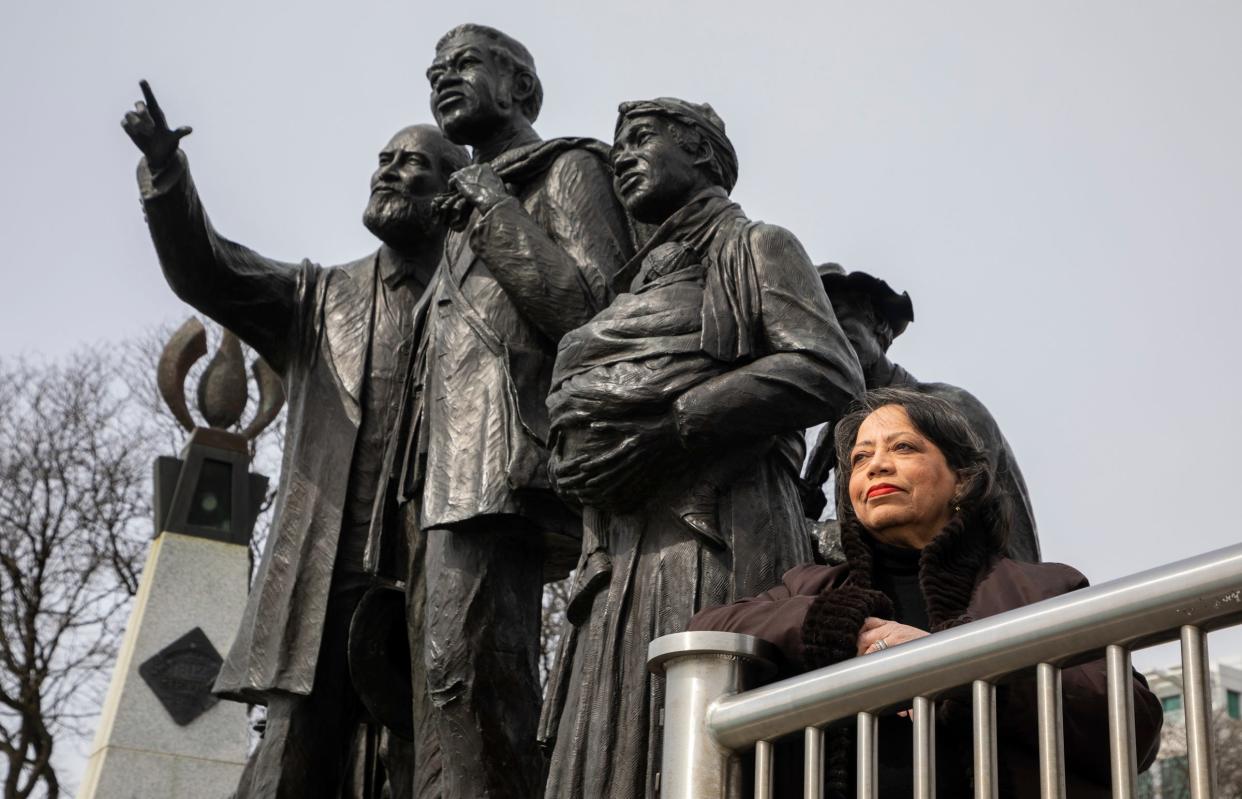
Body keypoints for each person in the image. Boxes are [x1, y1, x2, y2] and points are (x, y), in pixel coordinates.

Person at [122, 81, 468, 798]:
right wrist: (165, 172)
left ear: (452, 194)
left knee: (427, 767)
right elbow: (207, 268)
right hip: (324, 571)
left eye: (415, 163)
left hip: (435, 564)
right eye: (384, 158)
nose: (390, 170)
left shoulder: (478, 297)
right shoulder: (319, 295)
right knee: (294, 764)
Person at [539, 97, 865, 799]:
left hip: (718, 534)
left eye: (642, 138)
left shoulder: (755, 247)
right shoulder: (634, 288)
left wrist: (676, 425)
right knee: (610, 754)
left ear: (702, 153)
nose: (621, 154)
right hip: (619, 554)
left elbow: (829, 368)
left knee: (703, 755)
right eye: (617, 143)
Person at [691, 387, 1162, 797]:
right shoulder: (810, 587)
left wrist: (963, 668)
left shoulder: (1042, 588)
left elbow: (1134, 731)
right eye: (860, 458)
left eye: (903, 447)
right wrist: (835, 626)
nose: (877, 465)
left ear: (962, 479)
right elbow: (707, 627)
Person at [385, 24, 634, 799]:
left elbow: (594, 311)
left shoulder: (566, 169)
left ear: (521, 87)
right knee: (438, 689)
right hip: (435, 476)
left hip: (499, 461)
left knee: (467, 678)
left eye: (463, 65)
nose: (441, 79)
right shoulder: (456, 209)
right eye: (434, 70)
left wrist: (494, 209)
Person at [804, 266, 1040, 563]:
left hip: (985, 598)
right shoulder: (829, 437)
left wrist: (812, 533)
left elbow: (952, 529)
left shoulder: (949, 407)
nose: (825, 331)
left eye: (837, 314)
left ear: (876, 324)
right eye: (812, 322)